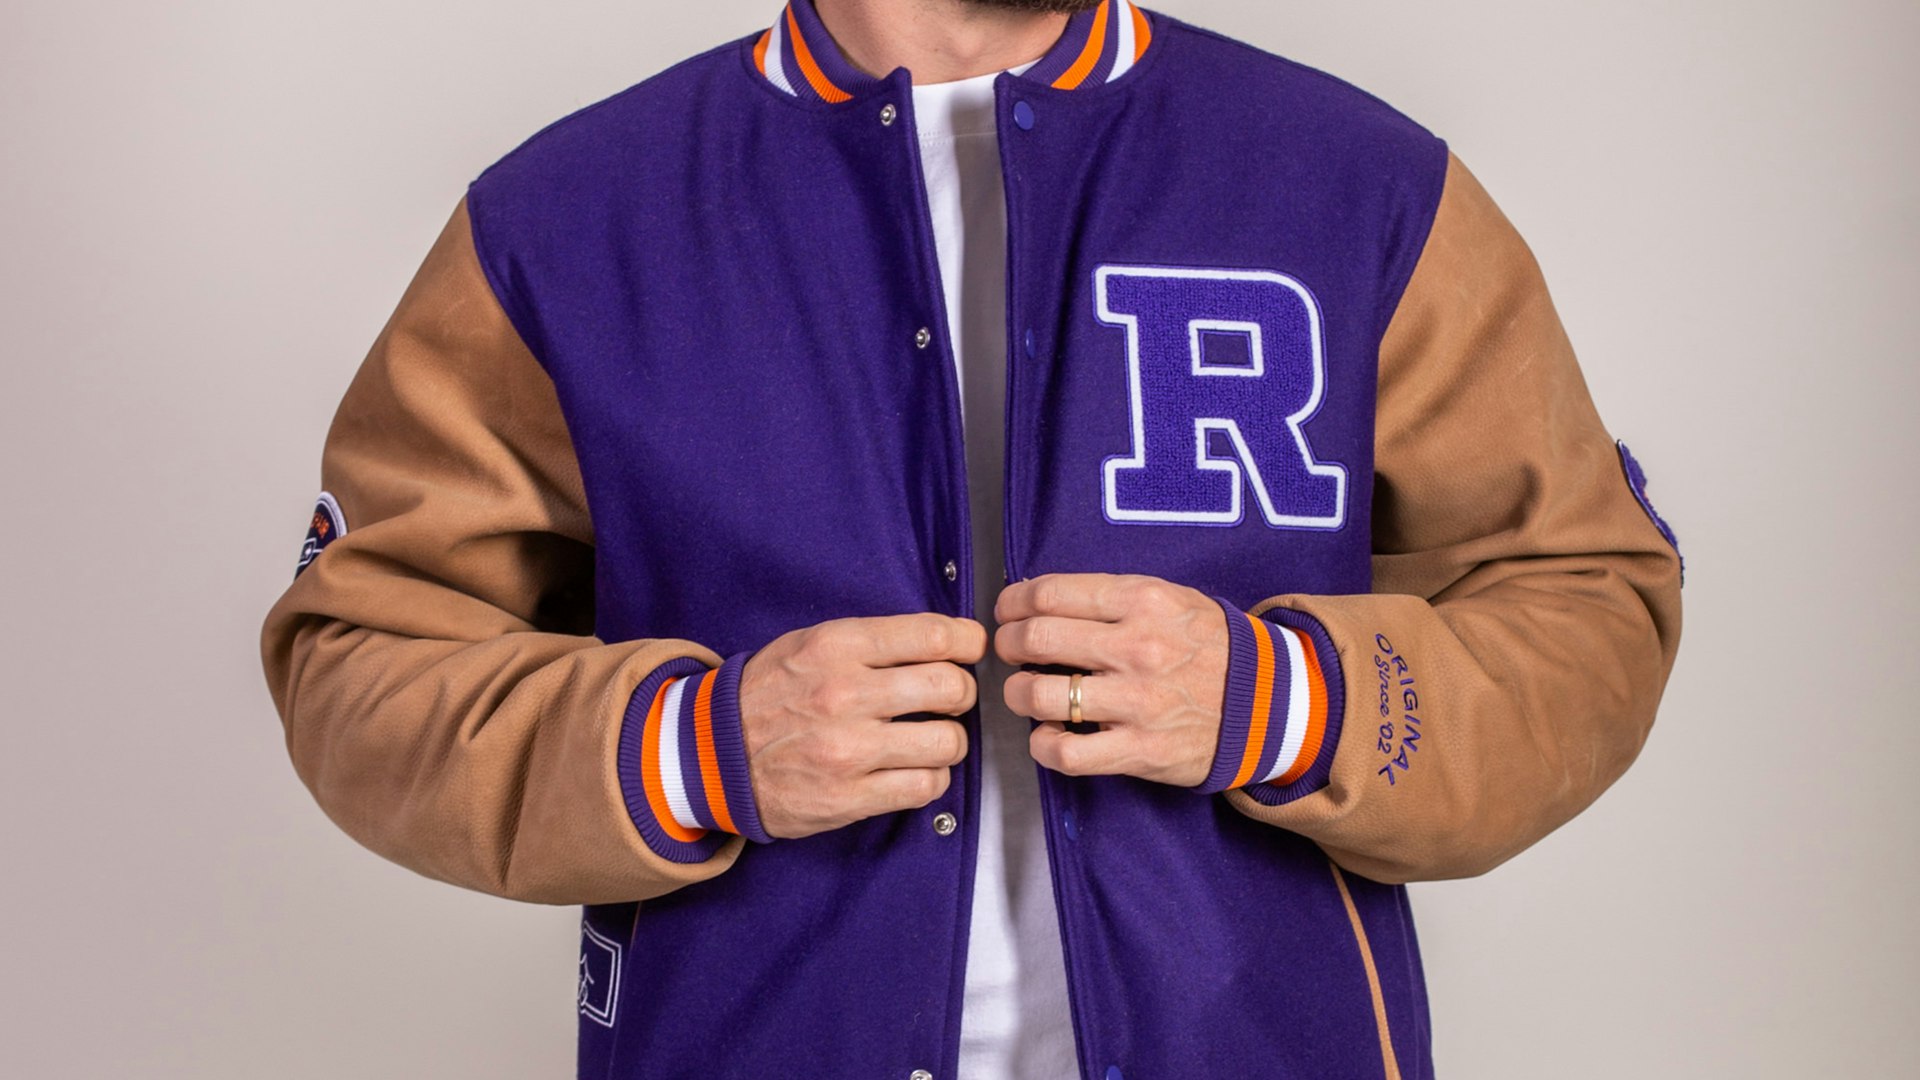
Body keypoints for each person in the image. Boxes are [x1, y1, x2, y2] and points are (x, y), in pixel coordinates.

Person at [260, 0, 1685, 1077]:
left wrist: (1283, 699)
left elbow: (1585, 603)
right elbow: (361, 659)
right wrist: (693, 745)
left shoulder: (1358, 185)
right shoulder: (569, 219)